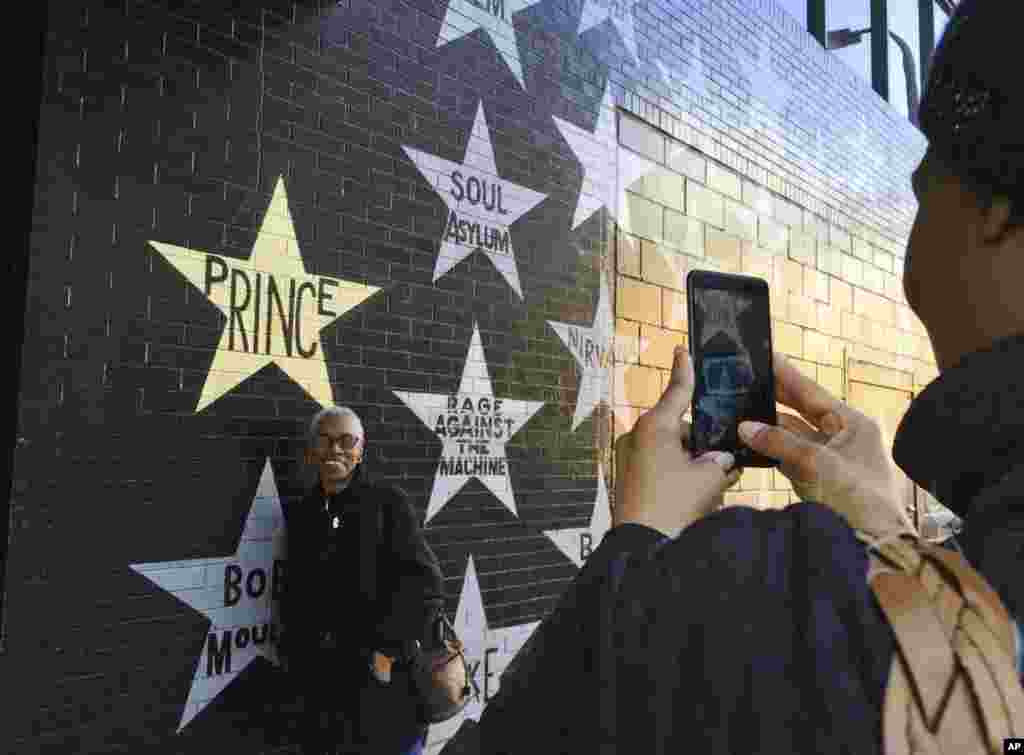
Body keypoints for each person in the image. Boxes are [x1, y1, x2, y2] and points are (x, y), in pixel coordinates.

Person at [477, 1, 1024, 752]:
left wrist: (640, 538)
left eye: (928, 170)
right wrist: (897, 544)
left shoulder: (771, 601)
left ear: (995, 207)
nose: (916, 192)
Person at [280, 405, 445, 755]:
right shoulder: (304, 513)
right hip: (324, 695)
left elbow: (426, 585)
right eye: (325, 440)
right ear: (312, 450)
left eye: (346, 440)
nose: (335, 449)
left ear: (360, 449)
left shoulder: (387, 504)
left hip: (384, 690)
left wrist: (386, 654)